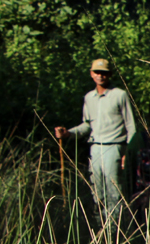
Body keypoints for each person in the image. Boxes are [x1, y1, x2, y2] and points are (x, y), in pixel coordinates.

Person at [54, 58, 137, 232]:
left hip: (114, 146)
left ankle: (117, 230)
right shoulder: (89, 98)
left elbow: (131, 126)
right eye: (97, 72)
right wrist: (67, 133)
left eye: (104, 73)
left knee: (114, 190)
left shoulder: (119, 95)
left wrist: (127, 153)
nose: (101, 76)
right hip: (95, 149)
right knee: (97, 191)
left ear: (110, 75)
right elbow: (86, 125)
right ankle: (101, 229)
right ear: (92, 74)